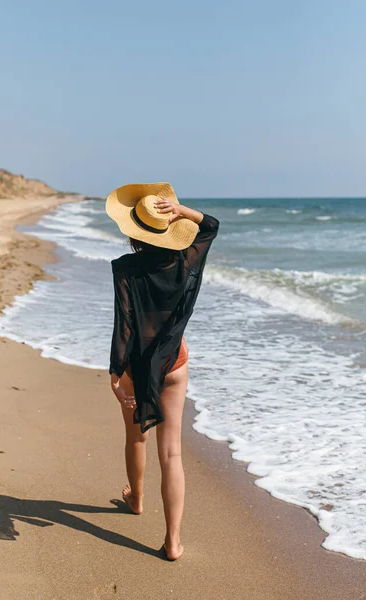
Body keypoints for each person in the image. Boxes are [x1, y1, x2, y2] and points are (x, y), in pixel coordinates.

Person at [106, 182, 219, 560]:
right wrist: (182, 210)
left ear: (133, 233)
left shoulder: (125, 268)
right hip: (174, 361)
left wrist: (115, 371)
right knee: (171, 453)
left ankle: (135, 500)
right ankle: (172, 542)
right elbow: (211, 226)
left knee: (136, 437)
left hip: (136, 366)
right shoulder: (185, 260)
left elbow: (124, 324)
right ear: (168, 227)